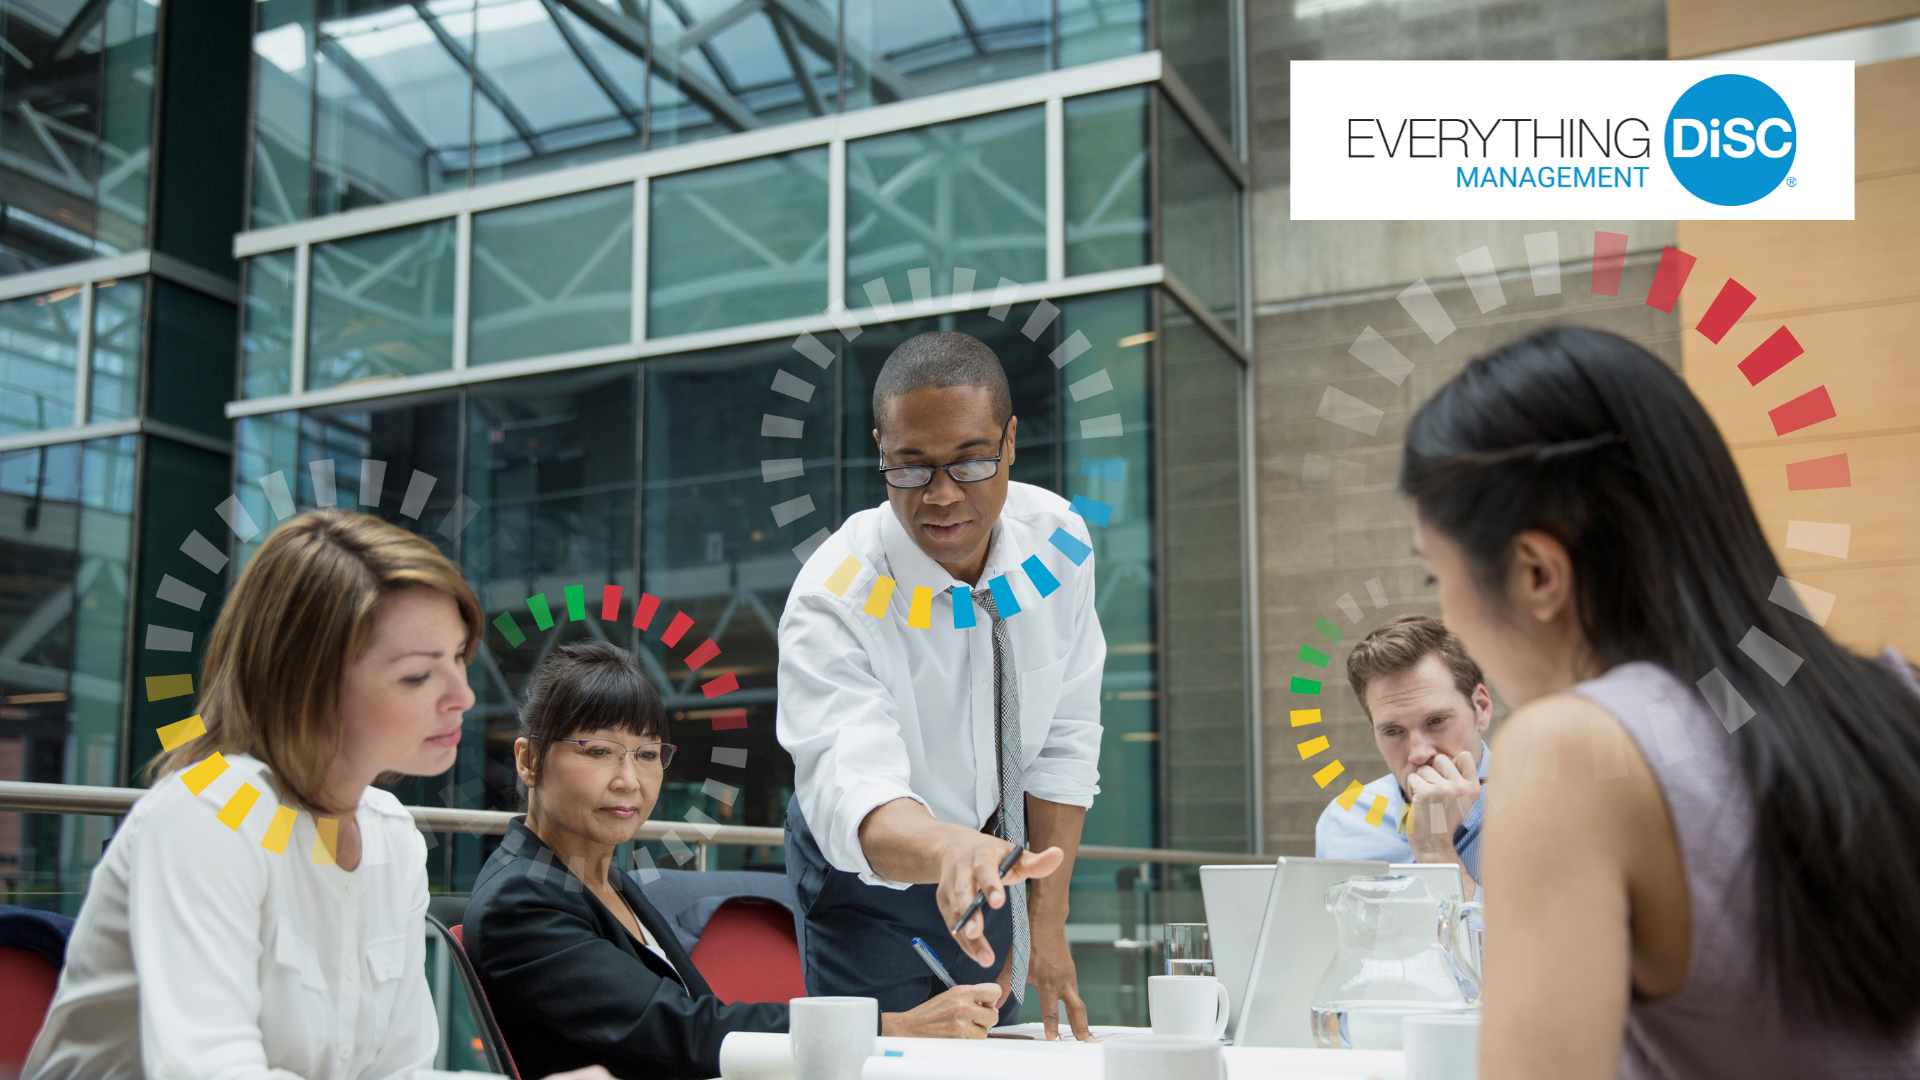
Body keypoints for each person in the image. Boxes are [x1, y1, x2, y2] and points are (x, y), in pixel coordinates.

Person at [1400, 325, 1920, 1078]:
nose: (1446, 614)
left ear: (1538, 572)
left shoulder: (1573, 750)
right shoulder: (1894, 695)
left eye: (1432, 576)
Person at [24, 509, 610, 1080]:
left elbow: (397, 1071)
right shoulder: (206, 817)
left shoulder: (389, 835)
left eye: (459, 658)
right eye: (416, 674)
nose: (463, 696)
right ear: (309, 684)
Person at [464, 640, 1001, 1080]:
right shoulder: (522, 898)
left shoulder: (607, 882)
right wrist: (895, 1027)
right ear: (529, 761)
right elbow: (682, 1030)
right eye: (598, 751)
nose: (628, 779)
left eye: (648, 754)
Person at [776, 331, 1105, 1040]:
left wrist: (1047, 920)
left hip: (989, 854)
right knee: (886, 1056)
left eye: (972, 459)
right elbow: (855, 782)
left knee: (999, 1042)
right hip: (864, 861)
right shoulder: (835, 594)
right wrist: (948, 849)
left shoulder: (1060, 544)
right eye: (910, 467)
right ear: (880, 451)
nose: (943, 495)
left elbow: (1067, 741)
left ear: (1012, 441)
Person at [1314, 614, 1493, 897]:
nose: (1420, 754)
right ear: (1374, 733)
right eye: (1394, 732)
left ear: (1481, 708)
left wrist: (1435, 851)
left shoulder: (1547, 811)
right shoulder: (1345, 821)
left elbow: (1540, 942)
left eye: (1436, 721)